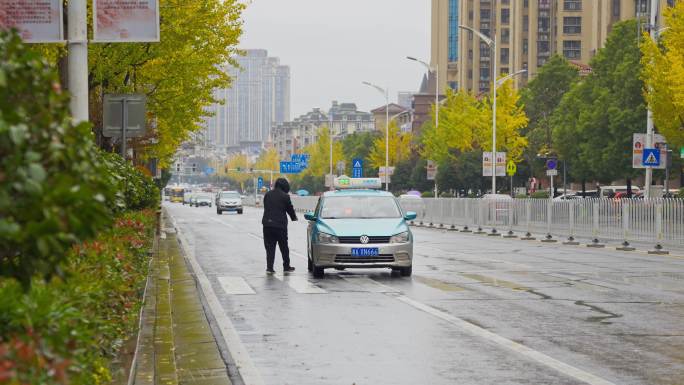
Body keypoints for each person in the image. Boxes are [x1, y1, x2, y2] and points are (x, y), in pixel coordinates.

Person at [261, 178, 297, 274]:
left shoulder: (267, 194)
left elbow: (266, 207)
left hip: (267, 225)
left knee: (270, 247)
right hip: (280, 226)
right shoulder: (285, 196)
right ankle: (286, 266)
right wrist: (294, 217)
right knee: (284, 247)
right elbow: (290, 209)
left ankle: (269, 268)